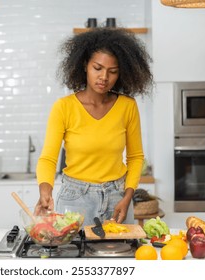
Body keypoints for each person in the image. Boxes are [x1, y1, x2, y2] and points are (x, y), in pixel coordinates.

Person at [35, 27, 153, 226]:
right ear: (84, 66)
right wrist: (45, 190)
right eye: (97, 68)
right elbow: (48, 158)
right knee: (75, 255)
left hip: (118, 197)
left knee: (122, 255)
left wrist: (127, 196)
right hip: (76, 198)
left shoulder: (127, 106)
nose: (104, 77)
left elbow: (135, 157)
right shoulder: (64, 107)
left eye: (112, 71)